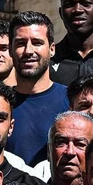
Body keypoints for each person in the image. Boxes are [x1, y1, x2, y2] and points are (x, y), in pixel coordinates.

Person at [7, 12, 71, 167]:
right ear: (10, 50)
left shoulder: (71, 100)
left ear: (52, 49)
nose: (28, 51)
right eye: (20, 43)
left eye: (37, 42)